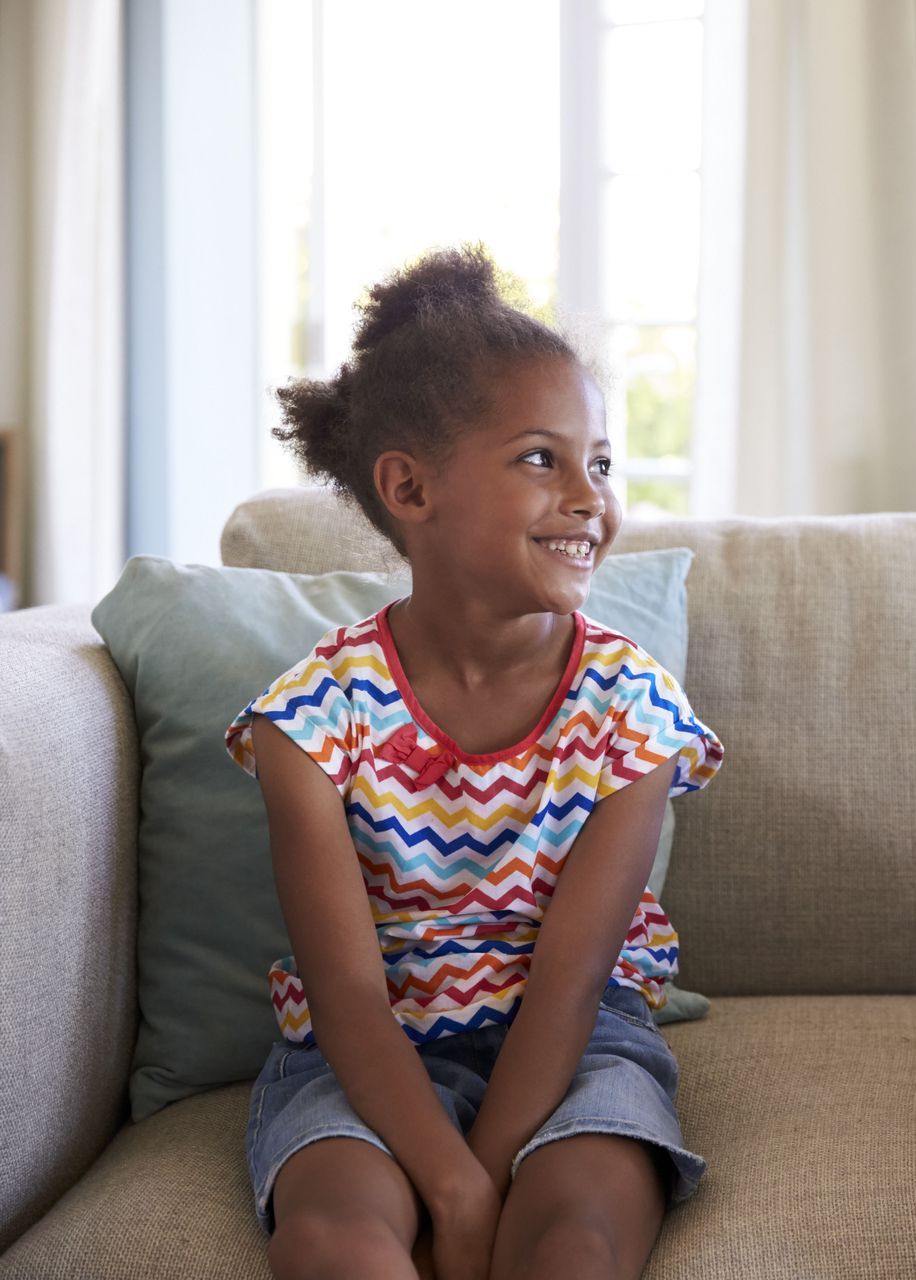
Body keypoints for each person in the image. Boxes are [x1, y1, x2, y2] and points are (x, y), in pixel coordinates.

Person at [225, 246, 723, 1280]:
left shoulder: (629, 708)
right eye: (543, 458)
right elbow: (349, 992)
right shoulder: (310, 720)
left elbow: (574, 977)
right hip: (361, 1058)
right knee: (332, 1241)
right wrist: (449, 1187)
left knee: (576, 1241)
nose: (590, 496)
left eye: (601, 461)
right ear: (410, 487)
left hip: (577, 1046)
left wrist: (490, 1171)